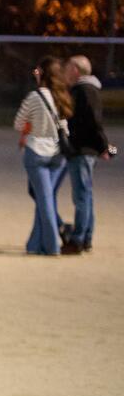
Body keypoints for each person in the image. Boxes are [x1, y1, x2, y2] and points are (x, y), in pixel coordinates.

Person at [14, 57, 72, 257]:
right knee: (44, 199)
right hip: (58, 154)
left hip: (36, 152)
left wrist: (30, 127)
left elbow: (18, 123)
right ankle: (34, 244)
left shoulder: (34, 97)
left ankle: (51, 245)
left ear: (43, 74)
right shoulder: (62, 95)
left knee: (45, 201)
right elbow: (65, 127)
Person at [63, 54, 117, 255]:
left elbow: (94, 124)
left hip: (83, 151)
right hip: (84, 150)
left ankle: (78, 240)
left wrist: (105, 148)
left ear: (76, 70)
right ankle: (85, 238)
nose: (65, 73)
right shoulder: (85, 90)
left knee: (82, 196)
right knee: (86, 196)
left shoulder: (85, 90)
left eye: (68, 68)